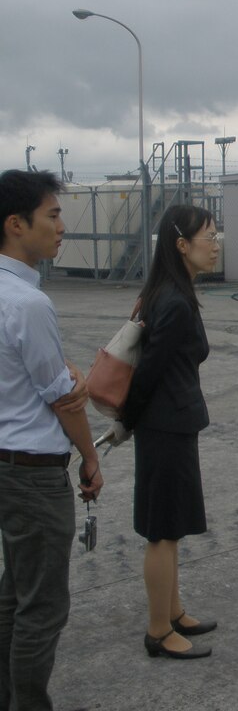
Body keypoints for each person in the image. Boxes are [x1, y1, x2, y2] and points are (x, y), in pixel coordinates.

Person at [1, 169, 104, 710]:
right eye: (53, 215)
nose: (61, 227)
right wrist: (90, 458)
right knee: (42, 608)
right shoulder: (28, 304)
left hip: (5, 463)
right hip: (33, 471)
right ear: (16, 225)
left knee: (14, 596)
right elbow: (63, 398)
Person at [120, 205, 221, 660]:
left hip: (171, 424)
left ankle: (174, 610)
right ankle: (158, 631)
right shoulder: (175, 302)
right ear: (182, 245)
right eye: (209, 237)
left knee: (171, 527)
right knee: (162, 531)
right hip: (165, 426)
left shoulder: (171, 292)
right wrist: (126, 421)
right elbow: (149, 373)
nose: (216, 245)